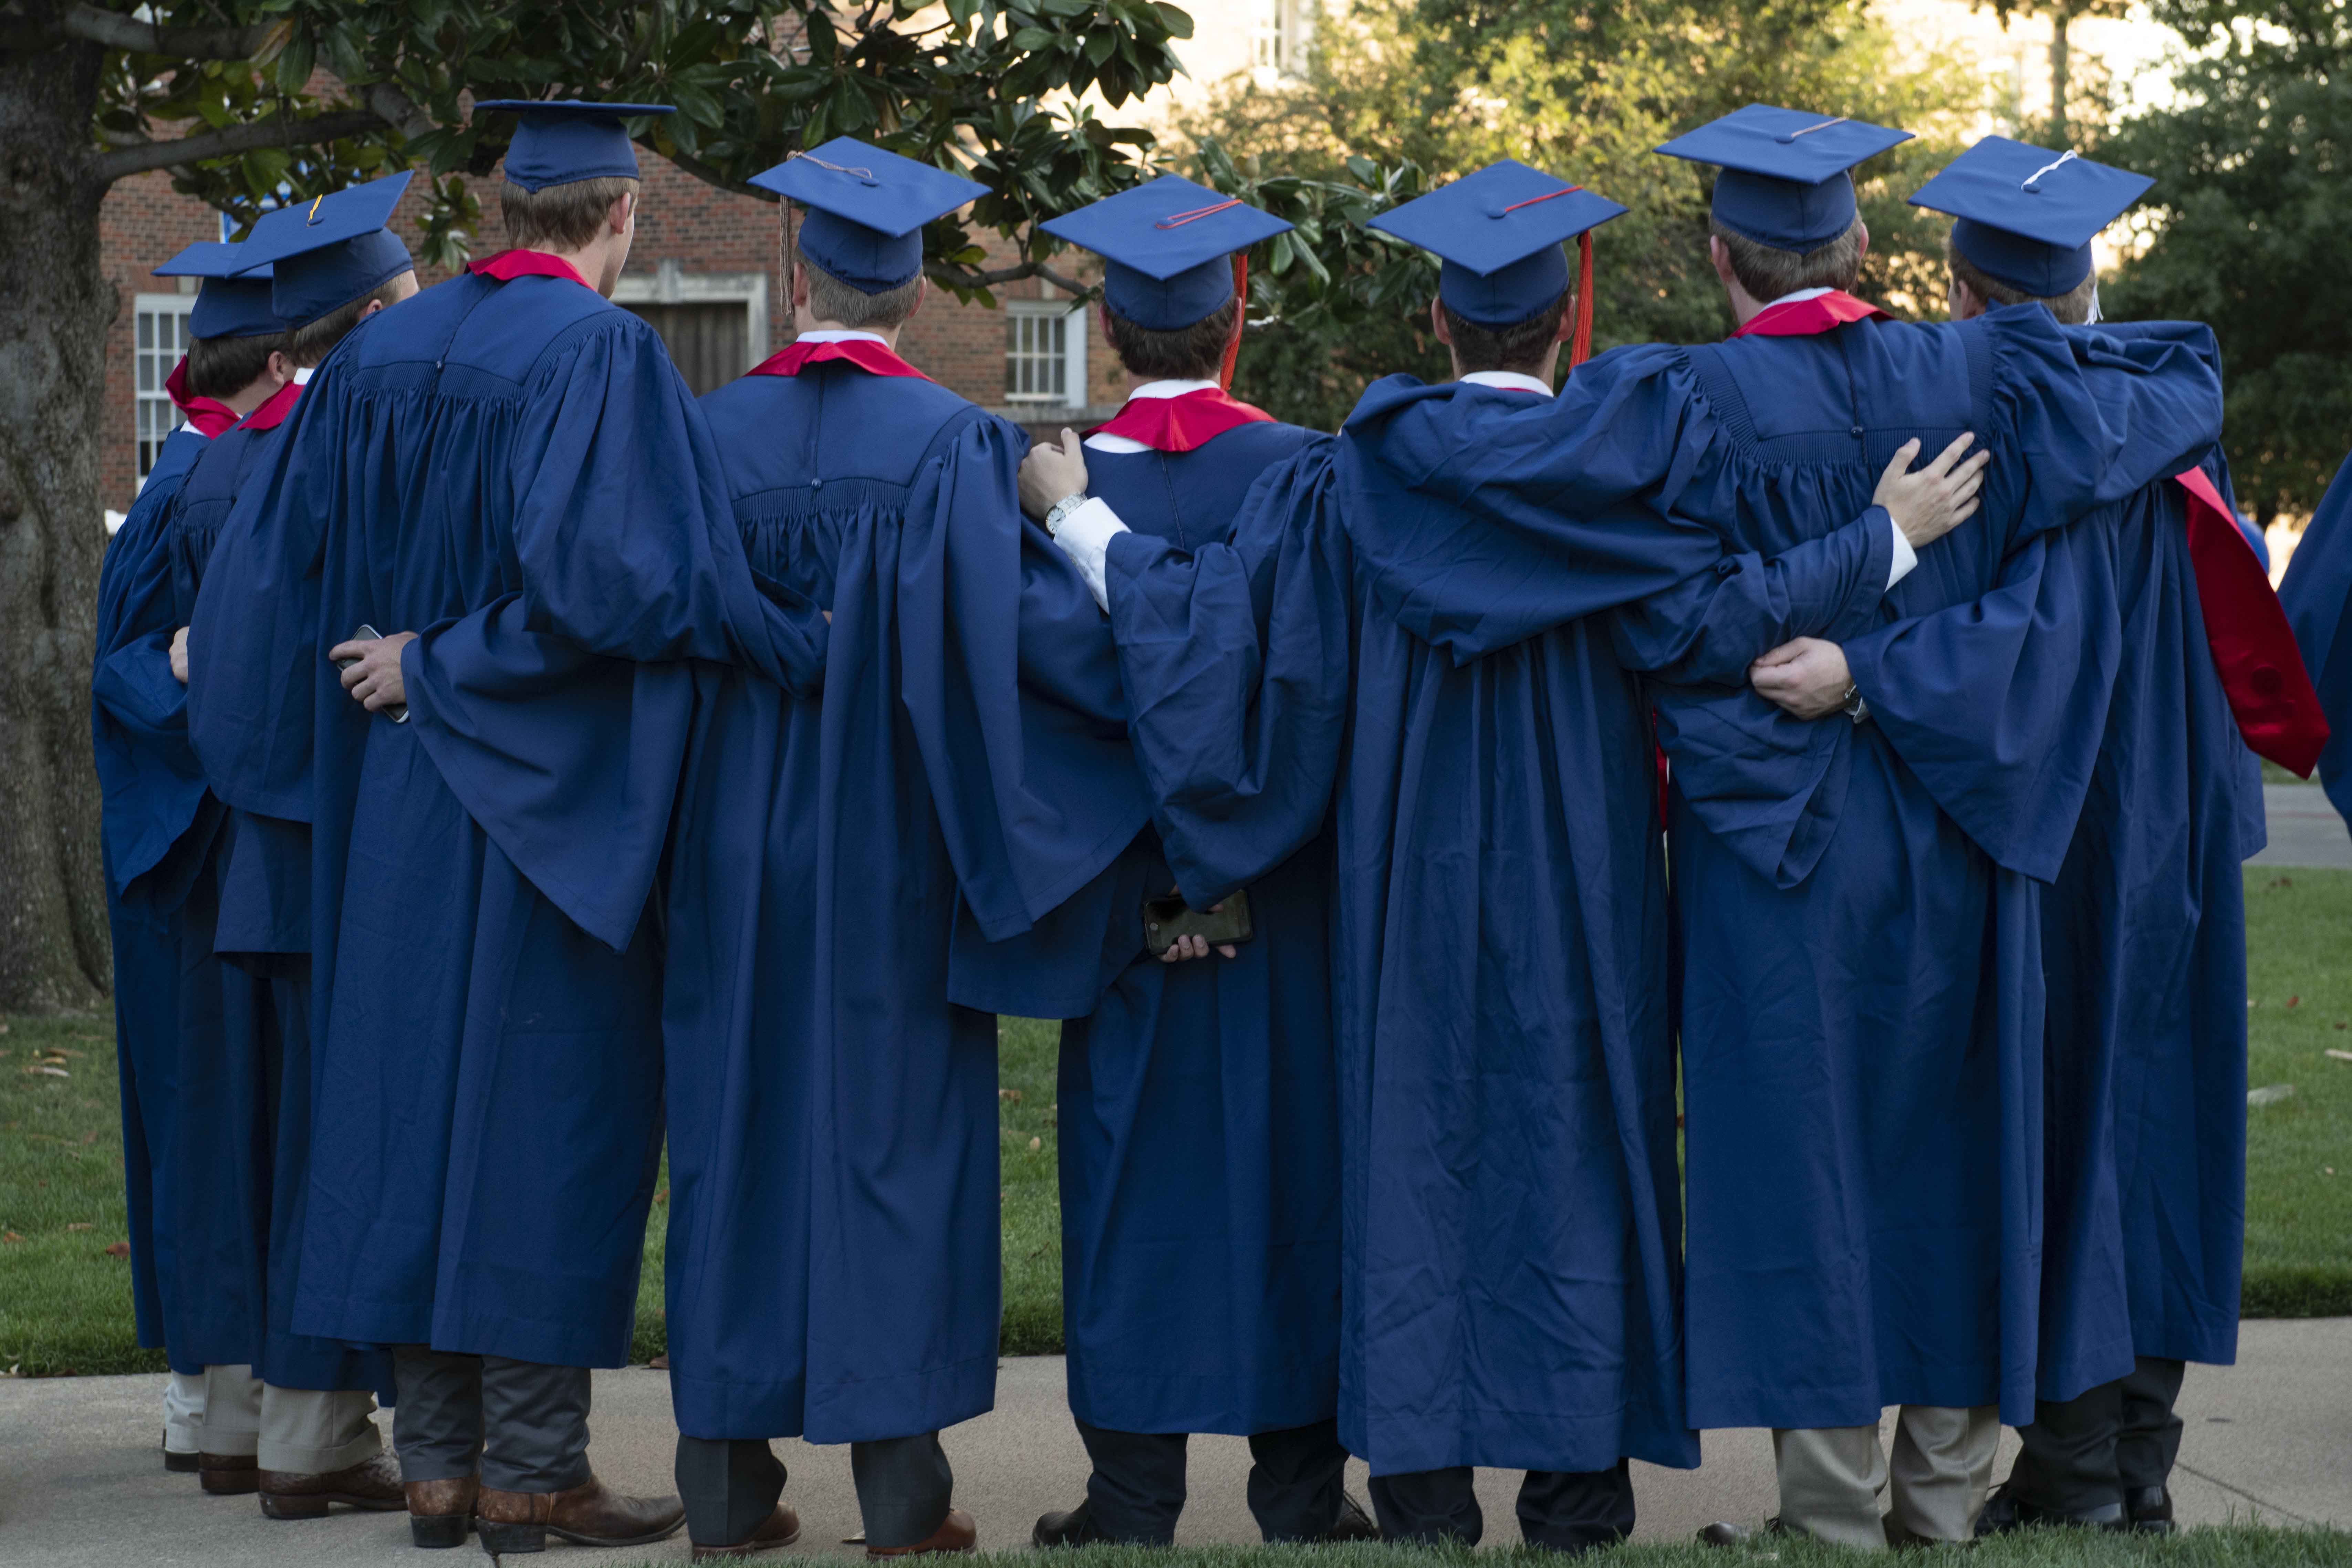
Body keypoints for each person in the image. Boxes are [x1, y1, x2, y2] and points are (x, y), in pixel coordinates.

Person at [1030, 156, 1991, 1553]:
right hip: (1581, 879)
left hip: (1396, 878)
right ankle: (1576, 1496)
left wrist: (1078, 521)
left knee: (1411, 1143)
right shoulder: (1612, 482)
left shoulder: (1346, 485)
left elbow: (1219, 644)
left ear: (1436, 322)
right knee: (1579, 1140)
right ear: (1569, 320)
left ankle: (1424, 1496)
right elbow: (1715, 628)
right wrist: (1879, 546)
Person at [196, 103, 828, 1555]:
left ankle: (435, 1466)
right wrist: (802, 643)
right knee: (546, 1116)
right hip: (541, 801)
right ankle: (532, 1469)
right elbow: (627, 588)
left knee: (401, 1113)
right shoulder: (598, 353)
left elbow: (265, 589)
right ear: (622, 221)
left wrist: (308, 755)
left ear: (496, 219)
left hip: (385, 804)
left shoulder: (373, 359)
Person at [655, 135, 1146, 1561]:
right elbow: (1036, 655)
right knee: (892, 1142)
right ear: (911, 279)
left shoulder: (700, 433)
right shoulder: (956, 446)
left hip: (730, 840)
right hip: (892, 846)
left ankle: (725, 1487)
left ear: (797, 269)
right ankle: (900, 1496)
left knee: (734, 1132)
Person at [1903, 138, 2322, 1536]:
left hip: (2051, 821)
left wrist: (1866, 677)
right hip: (2180, 813)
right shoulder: (2173, 399)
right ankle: (2134, 1454)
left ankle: (2079, 1467)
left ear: (1963, 283)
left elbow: (2014, 646)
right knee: (2152, 1110)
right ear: (2094, 276)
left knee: (2060, 1113)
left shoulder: (1985, 424)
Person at [1006, 175, 1369, 1549]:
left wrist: (1158, 856)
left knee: (1132, 1171)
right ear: (1241, 319)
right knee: (1295, 1161)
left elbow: (1045, 691)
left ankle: (1130, 1495)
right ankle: (1297, 1493)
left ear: (1107, 324)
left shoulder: (1053, 485)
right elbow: (1312, 688)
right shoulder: (1308, 473)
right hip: (1285, 886)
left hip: (1122, 894)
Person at [119, 222, 410, 1518]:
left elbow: (154, 669)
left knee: (228, 1132)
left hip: (220, 844)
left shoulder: (215, 473)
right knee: (304, 1132)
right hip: (302, 839)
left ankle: (223, 1410)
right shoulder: (321, 462)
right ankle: (307, 1427)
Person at [91, 241, 283, 1478]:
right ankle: (253, 1404)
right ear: (279, 361)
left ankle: (194, 1400)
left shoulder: (174, 482)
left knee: (185, 1114)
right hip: (235, 847)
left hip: (166, 854)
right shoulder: (242, 478)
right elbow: (147, 671)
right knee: (250, 1116)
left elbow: (118, 672)